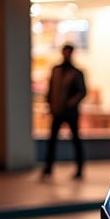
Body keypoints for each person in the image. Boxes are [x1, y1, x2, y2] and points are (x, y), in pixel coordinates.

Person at [42, 43, 86, 179]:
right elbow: (50, 90)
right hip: (58, 111)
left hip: (70, 112)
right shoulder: (56, 70)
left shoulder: (76, 72)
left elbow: (82, 91)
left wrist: (71, 103)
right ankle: (48, 168)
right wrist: (50, 105)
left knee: (75, 141)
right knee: (52, 141)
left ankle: (79, 168)